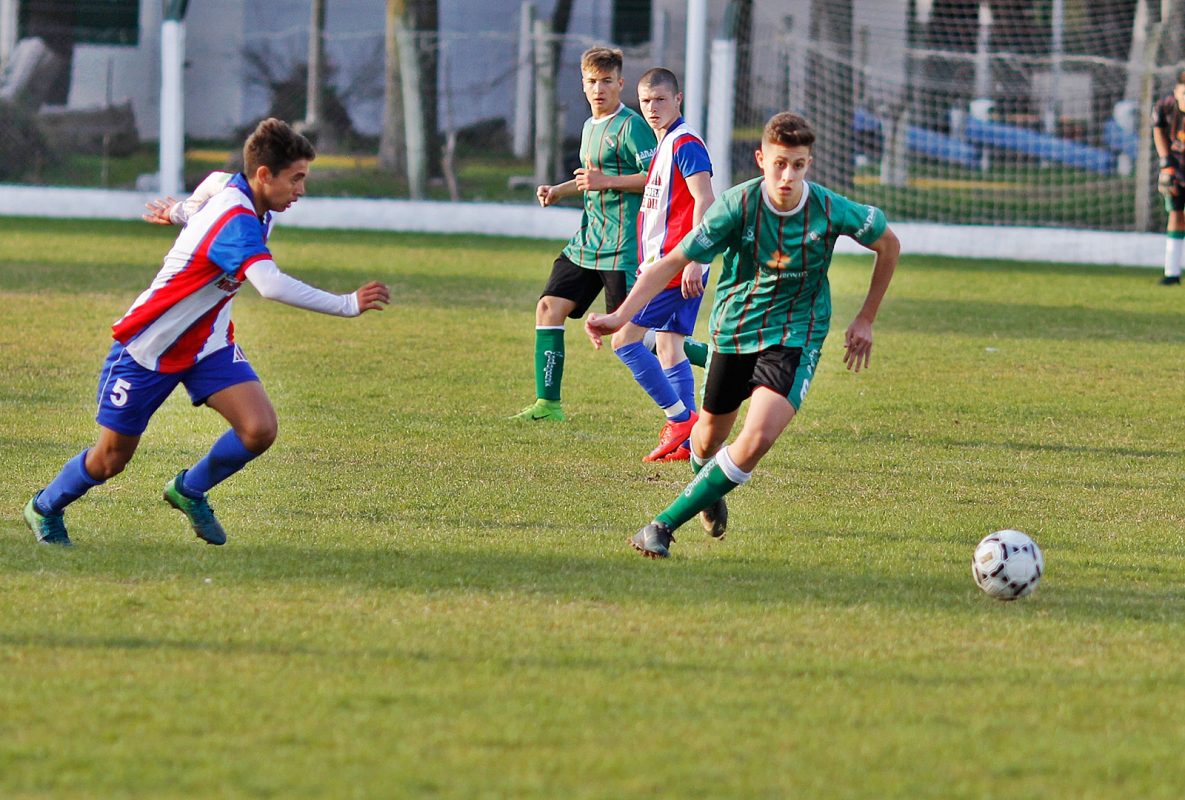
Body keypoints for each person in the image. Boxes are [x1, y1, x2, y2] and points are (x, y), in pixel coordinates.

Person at [22, 118, 390, 547]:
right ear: (264, 174)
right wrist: (347, 304)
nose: (301, 190)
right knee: (109, 460)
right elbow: (270, 285)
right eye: (296, 178)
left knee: (258, 429)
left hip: (207, 344)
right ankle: (45, 507)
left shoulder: (243, 193)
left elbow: (214, 181)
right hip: (148, 347)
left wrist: (180, 212)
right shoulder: (236, 221)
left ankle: (189, 489)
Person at [586, 112, 900, 558]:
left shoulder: (830, 209)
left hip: (795, 337)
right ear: (761, 159)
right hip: (734, 333)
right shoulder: (737, 205)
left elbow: (888, 243)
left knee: (755, 441)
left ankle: (661, 526)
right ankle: (707, 486)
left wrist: (866, 318)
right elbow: (671, 262)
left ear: (808, 164)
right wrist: (620, 316)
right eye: (779, 164)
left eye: (797, 165)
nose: (787, 176)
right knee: (706, 441)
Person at [510, 46, 657, 421]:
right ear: (583, 84)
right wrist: (559, 191)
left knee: (634, 337)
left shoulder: (631, 126)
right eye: (592, 81)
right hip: (589, 241)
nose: (599, 89)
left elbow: (656, 178)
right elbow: (591, 178)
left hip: (622, 246)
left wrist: (605, 181)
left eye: (606, 81)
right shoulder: (590, 126)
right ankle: (548, 405)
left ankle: (716, 360)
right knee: (548, 307)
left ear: (620, 83)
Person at [611, 67, 715, 462]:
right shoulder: (665, 144)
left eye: (660, 100)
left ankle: (679, 419)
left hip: (674, 267)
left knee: (625, 340)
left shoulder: (685, 142)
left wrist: (695, 258)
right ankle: (687, 443)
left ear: (678, 99)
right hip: (669, 265)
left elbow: (705, 199)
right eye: (646, 101)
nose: (652, 108)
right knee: (670, 347)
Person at [1152, 69, 1185, 286]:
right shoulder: (1164, 107)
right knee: (1175, 214)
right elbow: (1158, 131)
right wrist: (1166, 165)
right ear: (1176, 91)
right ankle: (1171, 272)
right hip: (1177, 168)